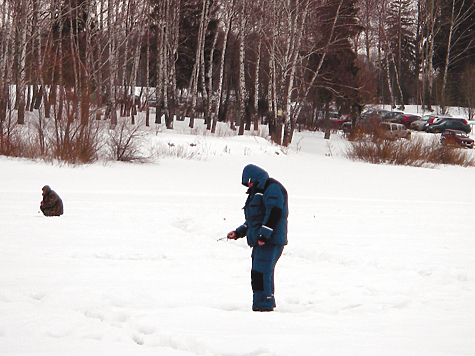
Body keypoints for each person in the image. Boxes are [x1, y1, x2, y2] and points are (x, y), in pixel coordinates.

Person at [227, 164, 288, 312]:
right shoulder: (257, 191)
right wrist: (238, 232)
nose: (248, 185)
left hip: (270, 241)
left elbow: (274, 212)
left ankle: (264, 306)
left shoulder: (271, 188)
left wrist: (264, 235)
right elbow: (254, 221)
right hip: (261, 241)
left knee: (261, 273)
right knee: (258, 273)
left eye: (249, 181)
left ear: (254, 177)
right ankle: (263, 303)